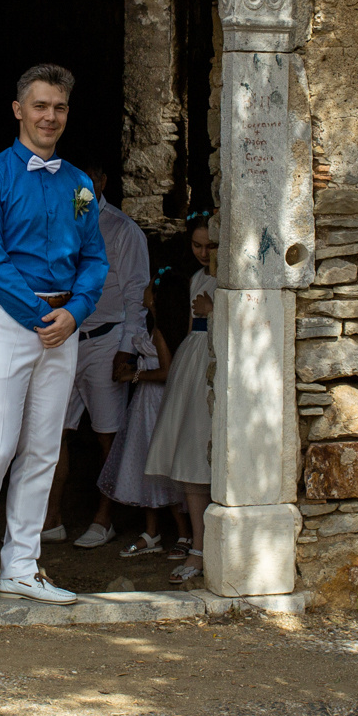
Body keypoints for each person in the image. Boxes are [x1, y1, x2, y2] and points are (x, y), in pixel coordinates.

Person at [0, 64, 107, 612]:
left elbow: (94, 256)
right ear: (19, 110)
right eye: (40, 106)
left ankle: (20, 566)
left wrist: (78, 310)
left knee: (44, 448)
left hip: (63, 326)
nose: (50, 116)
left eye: (59, 107)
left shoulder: (80, 186)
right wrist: (36, 316)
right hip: (5, 320)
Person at [49, 166, 150, 549]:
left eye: (88, 176)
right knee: (53, 429)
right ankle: (51, 517)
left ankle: (104, 517)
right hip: (64, 337)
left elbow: (136, 295)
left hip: (107, 339)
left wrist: (127, 348)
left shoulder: (122, 230)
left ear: (102, 181)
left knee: (108, 433)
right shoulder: (61, 222)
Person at [144, 218, 216, 585]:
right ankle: (198, 547)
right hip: (194, 361)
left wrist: (214, 312)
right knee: (188, 454)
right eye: (197, 247)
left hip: (217, 362)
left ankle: (207, 549)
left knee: (205, 454)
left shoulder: (225, 281)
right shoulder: (196, 279)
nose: (204, 254)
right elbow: (192, 330)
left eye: (211, 246)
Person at [97, 281, 184, 557]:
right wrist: (135, 368)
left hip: (155, 404)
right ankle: (152, 531)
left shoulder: (160, 331)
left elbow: (166, 372)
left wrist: (131, 376)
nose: (143, 293)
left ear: (155, 298)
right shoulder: (154, 327)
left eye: (148, 289)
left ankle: (183, 533)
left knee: (159, 462)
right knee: (145, 463)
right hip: (145, 404)